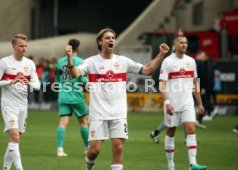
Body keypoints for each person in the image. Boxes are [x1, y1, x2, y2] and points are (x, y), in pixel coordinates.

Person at [65, 28, 169, 170]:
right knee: (94, 150)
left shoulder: (122, 61)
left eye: (113, 37)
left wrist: (161, 55)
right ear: (100, 42)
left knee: (118, 147)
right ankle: (88, 167)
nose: (111, 40)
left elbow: (147, 70)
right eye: (107, 38)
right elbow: (75, 73)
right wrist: (70, 59)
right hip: (98, 113)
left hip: (118, 113)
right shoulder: (91, 62)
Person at [0, 34, 40, 170]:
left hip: (22, 106)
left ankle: (5, 168)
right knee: (15, 137)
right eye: (21, 46)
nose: (24, 48)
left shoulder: (30, 64)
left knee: (15, 141)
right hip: (8, 105)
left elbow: (38, 85)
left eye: (25, 46)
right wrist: (10, 81)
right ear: (14, 46)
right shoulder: (4, 62)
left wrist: (29, 83)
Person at [159, 35, 207, 170]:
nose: (184, 45)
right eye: (181, 42)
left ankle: (193, 163)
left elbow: (195, 83)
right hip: (172, 103)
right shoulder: (167, 62)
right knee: (171, 131)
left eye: (185, 43)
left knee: (191, 129)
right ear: (175, 45)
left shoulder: (191, 61)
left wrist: (200, 103)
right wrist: (167, 102)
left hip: (187, 103)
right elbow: (162, 84)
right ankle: (171, 165)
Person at [55, 38, 89, 157]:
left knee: (63, 123)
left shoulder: (60, 62)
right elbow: (84, 80)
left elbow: (57, 80)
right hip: (76, 96)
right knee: (84, 122)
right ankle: (87, 148)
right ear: (78, 48)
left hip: (63, 95)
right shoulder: (81, 61)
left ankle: (59, 150)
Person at [195, 51, 213, 126]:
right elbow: (202, 77)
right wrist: (202, 87)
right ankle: (198, 119)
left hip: (191, 85)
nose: (205, 57)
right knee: (203, 103)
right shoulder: (201, 64)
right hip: (197, 85)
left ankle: (197, 119)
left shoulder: (192, 62)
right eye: (203, 56)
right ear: (198, 55)